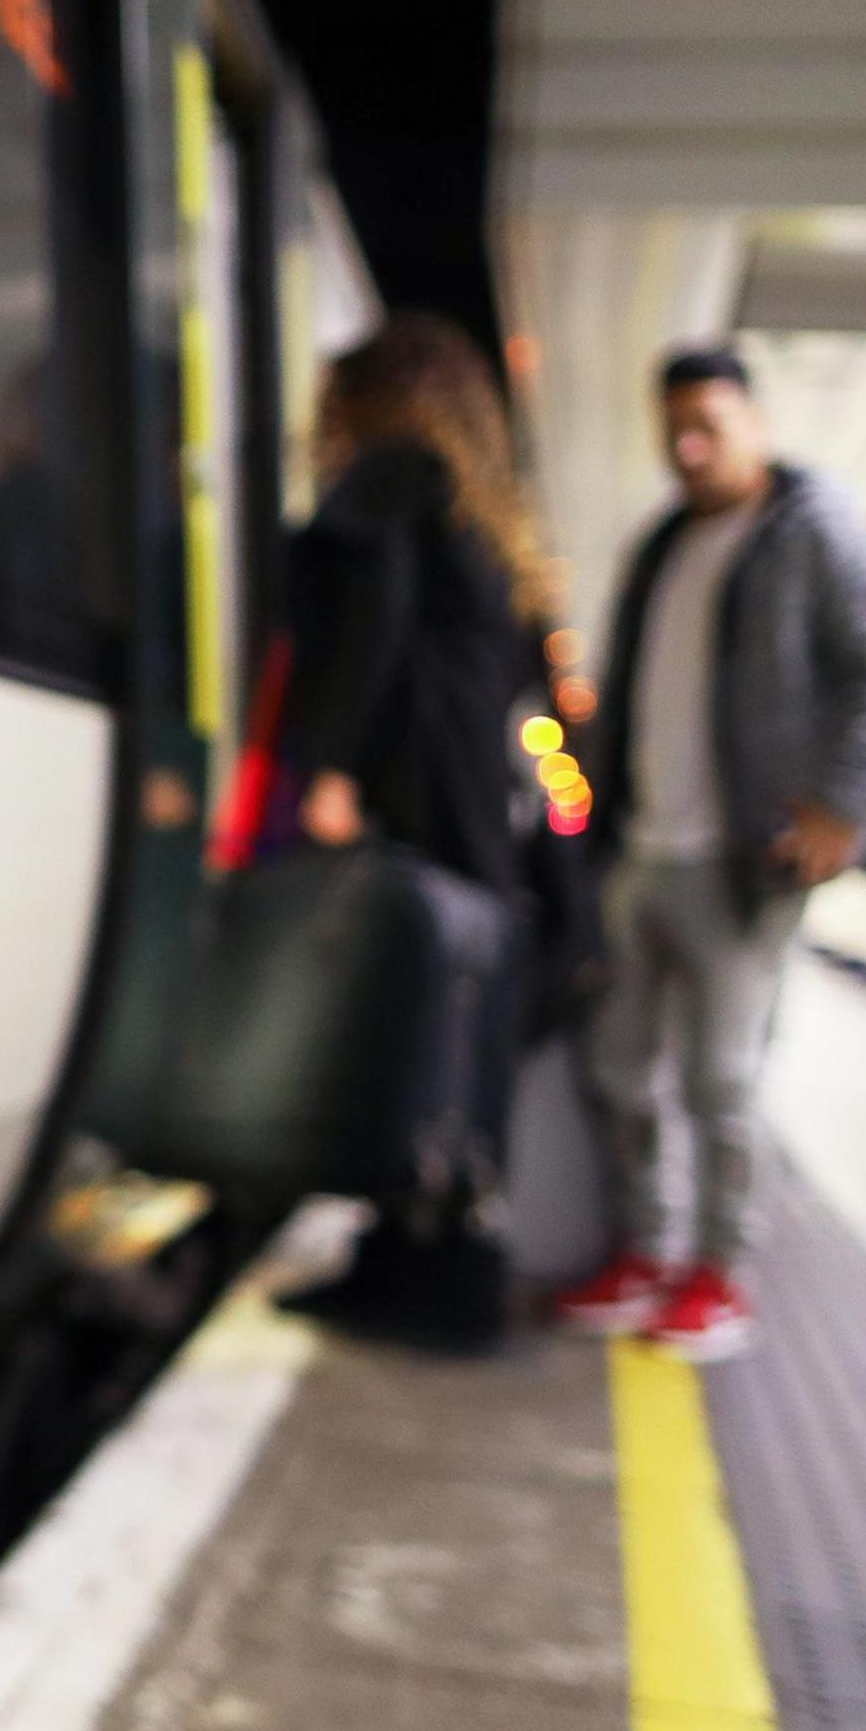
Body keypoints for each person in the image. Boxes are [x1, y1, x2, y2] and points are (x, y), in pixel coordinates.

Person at [556, 345, 866, 1361]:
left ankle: (719, 1271)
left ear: (757, 423)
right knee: (623, 1066)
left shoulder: (812, 536)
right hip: (643, 847)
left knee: (718, 1080)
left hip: (739, 860)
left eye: (709, 426)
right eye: (673, 427)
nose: (688, 446)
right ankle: (647, 1246)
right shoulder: (662, 545)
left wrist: (841, 808)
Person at [269, 315, 548, 1352]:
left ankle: (432, 1277)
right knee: (453, 1026)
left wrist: (333, 764)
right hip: (472, 800)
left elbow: (371, 617)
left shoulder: (389, 476)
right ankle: (420, 1255)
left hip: (414, 786)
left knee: (404, 1021)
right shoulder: (474, 508)